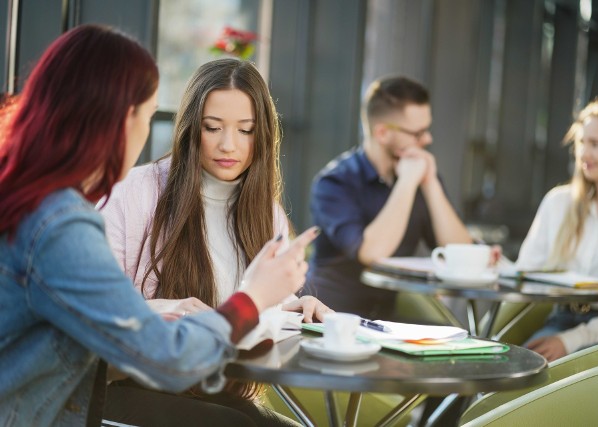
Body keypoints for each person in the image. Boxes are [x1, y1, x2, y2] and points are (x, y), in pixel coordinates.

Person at [0, 25, 318, 427]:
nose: (228, 144)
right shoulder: (60, 225)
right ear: (118, 120)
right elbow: (162, 358)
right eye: (149, 116)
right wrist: (251, 298)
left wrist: (279, 304)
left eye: (245, 130)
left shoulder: (30, 201)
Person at [99, 58, 331, 426]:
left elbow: (249, 302)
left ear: (264, 134)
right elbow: (94, 316)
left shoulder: (265, 214)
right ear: (192, 128)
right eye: (213, 127)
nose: (228, 145)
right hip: (125, 387)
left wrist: (291, 306)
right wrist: (164, 309)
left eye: (246, 130)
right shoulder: (132, 195)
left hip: (209, 388)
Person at [304, 75, 472, 320]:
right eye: (418, 133)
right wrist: (406, 183)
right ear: (382, 132)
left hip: (391, 323)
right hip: (330, 320)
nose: (427, 140)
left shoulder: (419, 176)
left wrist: (431, 184)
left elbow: (461, 253)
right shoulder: (334, 183)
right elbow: (371, 253)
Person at [518, 99, 598, 362]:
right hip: (559, 319)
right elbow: (526, 272)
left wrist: (569, 341)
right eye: (582, 143)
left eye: (595, 144)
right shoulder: (558, 202)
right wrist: (496, 265)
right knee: (510, 374)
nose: (584, 154)